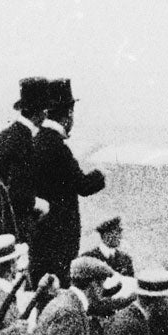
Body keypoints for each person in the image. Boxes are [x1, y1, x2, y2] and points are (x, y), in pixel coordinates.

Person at [24, 81, 105, 289]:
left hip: (39, 239)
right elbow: (84, 186)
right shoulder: (59, 148)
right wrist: (100, 174)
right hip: (60, 241)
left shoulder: (34, 142)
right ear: (68, 114)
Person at [0, 79, 48, 242]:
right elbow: (21, 195)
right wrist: (39, 205)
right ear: (39, 113)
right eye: (45, 110)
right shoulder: (26, 141)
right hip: (7, 224)